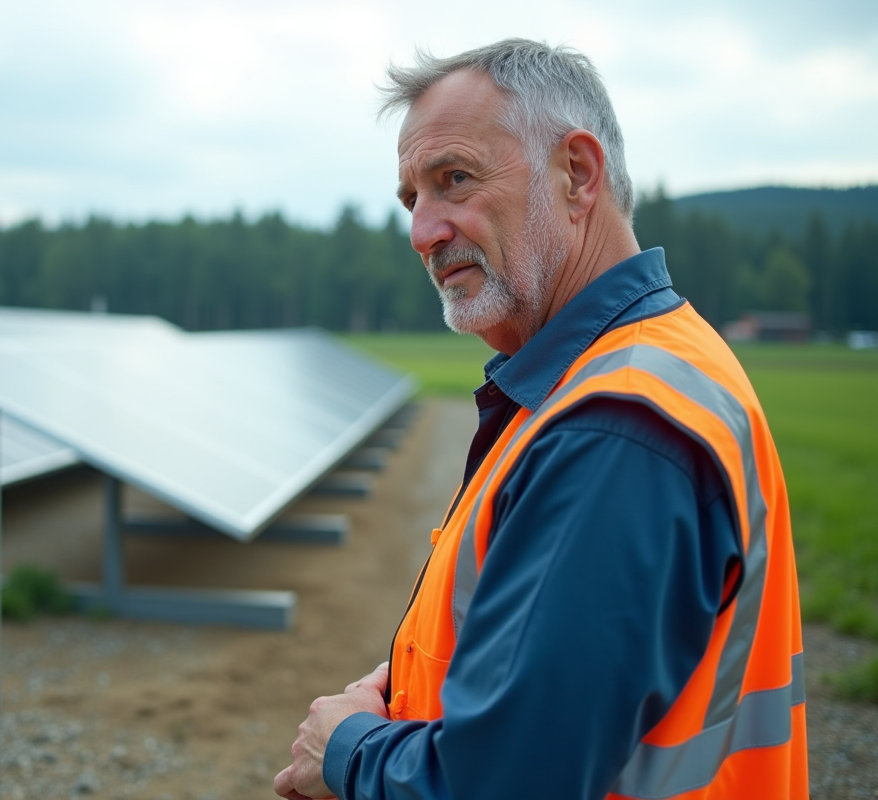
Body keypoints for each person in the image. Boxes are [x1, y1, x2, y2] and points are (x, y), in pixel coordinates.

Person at [274, 39, 807, 800]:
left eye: (454, 180)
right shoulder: (616, 377)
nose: (424, 232)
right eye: (412, 200)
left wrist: (349, 750)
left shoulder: (616, 427)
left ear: (577, 174)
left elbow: (508, 782)